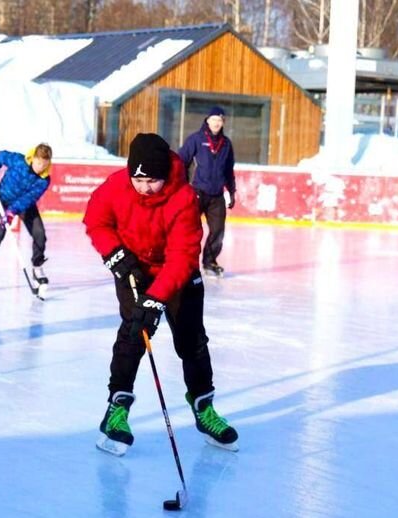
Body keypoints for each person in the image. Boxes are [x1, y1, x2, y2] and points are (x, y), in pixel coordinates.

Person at [83, 132, 238, 455]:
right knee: (133, 335)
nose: (144, 187)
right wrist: (114, 253)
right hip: (134, 270)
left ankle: (203, 407)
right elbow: (96, 220)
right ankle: (117, 410)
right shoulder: (116, 186)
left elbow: (183, 255)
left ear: (164, 175)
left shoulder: (183, 197)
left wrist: (157, 299)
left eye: (152, 180)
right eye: (138, 179)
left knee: (191, 340)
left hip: (176, 273)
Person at [0, 144, 53, 290]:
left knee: (39, 234)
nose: (41, 167)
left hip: (24, 205)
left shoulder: (44, 179)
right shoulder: (18, 160)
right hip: (2, 199)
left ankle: (37, 266)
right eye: (39, 163)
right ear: (33, 158)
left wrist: (12, 212)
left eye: (45, 164)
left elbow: (29, 197)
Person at [178, 106, 237, 276]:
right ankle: (185, 261)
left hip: (217, 194)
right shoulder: (196, 139)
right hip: (197, 191)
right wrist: (182, 185)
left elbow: (228, 170)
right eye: (214, 120)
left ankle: (209, 262)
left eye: (220, 120)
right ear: (207, 120)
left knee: (218, 230)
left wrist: (231, 191)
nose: (216, 123)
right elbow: (182, 161)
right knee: (189, 229)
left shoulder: (226, 144)